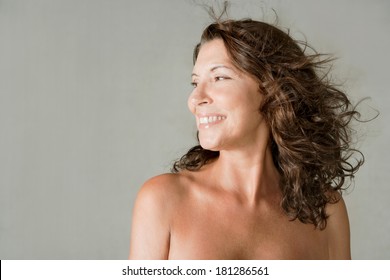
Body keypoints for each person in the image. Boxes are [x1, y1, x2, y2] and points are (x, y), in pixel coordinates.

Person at [129, 12, 363, 259]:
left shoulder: (325, 208)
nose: (195, 99)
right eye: (195, 83)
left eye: (219, 77)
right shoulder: (163, 200)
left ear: (273, 90)